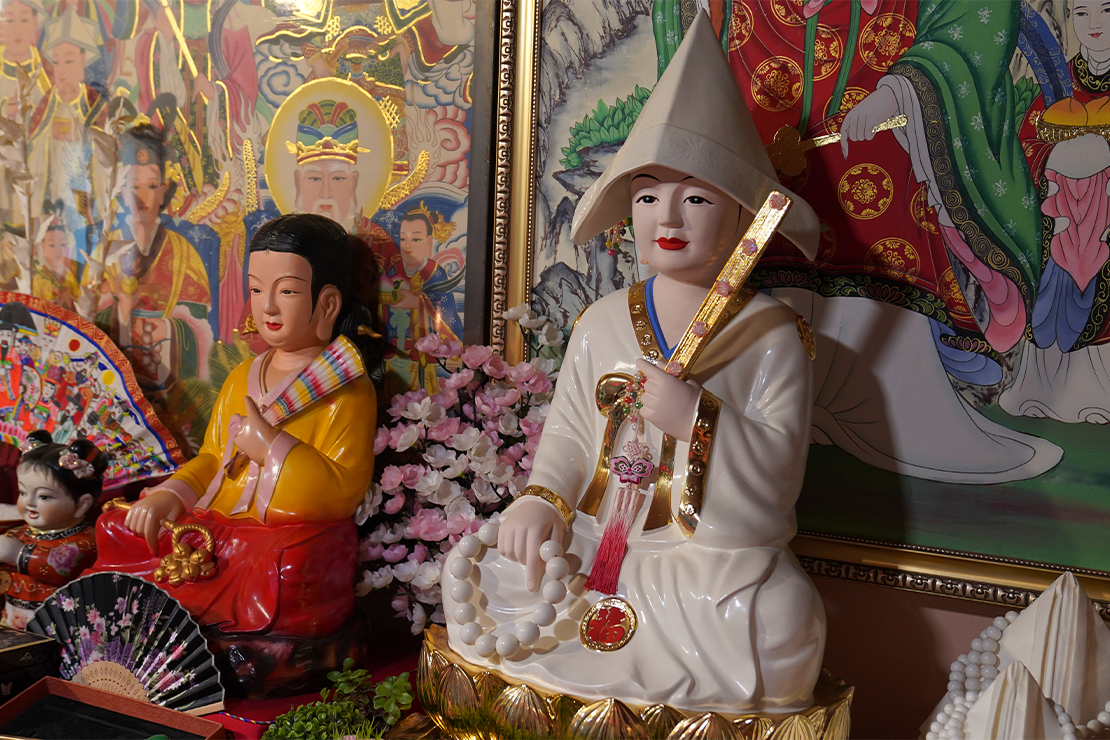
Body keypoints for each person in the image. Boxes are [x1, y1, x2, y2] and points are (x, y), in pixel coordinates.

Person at [442, 15, 825, 713]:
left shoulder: (772, 337)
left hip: (702, 563)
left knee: (784, 619)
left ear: (744, 218)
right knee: (487, 575)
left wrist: (696, 417)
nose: (666, 216)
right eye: (647, 195)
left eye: (696, 197)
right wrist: (542, 501)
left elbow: (777, 477)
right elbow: (568, 436)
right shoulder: (601, 320)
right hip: (594, 543)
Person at [89, 213, 380, 641]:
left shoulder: (345, 390)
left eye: (287, 291)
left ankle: (217, 627)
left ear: (327, 304)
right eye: (257, 290)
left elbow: (343, 491)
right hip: (215, 520)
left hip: (277, 535)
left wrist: (272, 448)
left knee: (289, 564)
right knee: (117, 527)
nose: (268, 307)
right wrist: (172, 494)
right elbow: (212, 458)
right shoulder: (243, 375)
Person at [0, 430, 105, 629]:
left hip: (58, 623)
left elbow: (61, 567)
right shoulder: (19, 533)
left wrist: (17, 554)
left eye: (43, 496)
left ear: (82, 504)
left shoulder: (87, 540)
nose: (29, 503)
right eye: (23, 492)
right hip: (13, 615)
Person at [377, 204, 463, 393]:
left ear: (428, 243)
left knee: (423, 398)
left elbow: (445, 312)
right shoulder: (393, 272)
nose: (407, 246)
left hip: (421, 355)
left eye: (415, 239)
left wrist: (418, 302)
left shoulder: (435, 273)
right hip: (395, 351)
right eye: (403, 239)